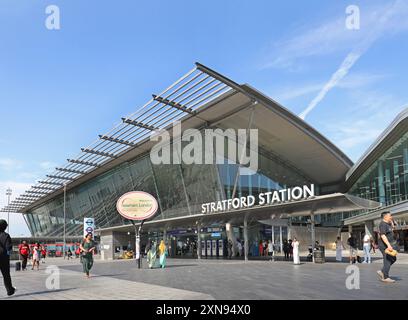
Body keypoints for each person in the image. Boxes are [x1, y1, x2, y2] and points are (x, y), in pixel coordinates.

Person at [377, 211, 397, 283]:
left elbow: (391, 231)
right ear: (385, 216)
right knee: (387, 260)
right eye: (390, 216)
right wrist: (388, 245)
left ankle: (382, 271)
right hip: (384, 246)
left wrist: (392, 224)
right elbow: (382, 235)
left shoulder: (387, 224)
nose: (391, 217)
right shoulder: (382, 224)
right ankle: (385, 277)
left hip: (389, 245)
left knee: (393, 258)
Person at [0, 220, 16, 296]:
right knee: (6, 275)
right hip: (4, 258)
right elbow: (8, 248)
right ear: (5, 227)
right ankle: (10, 290)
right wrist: (8, 253)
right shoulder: (6, 235)